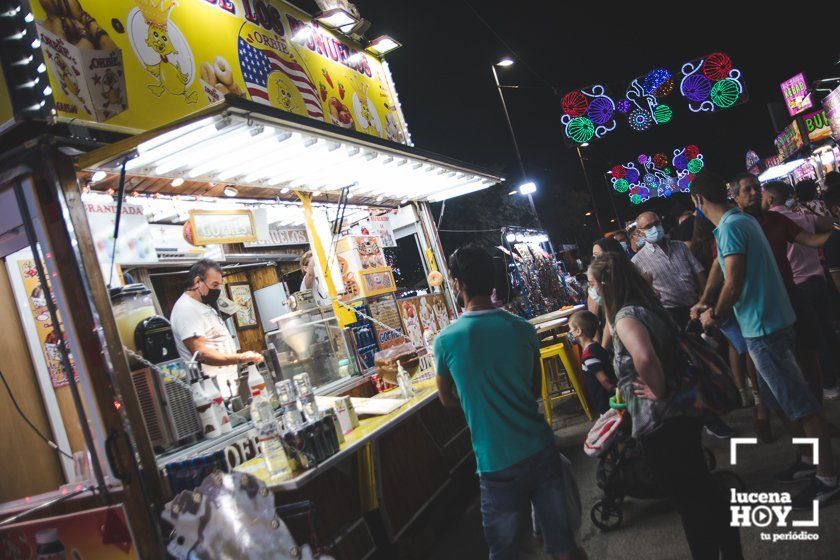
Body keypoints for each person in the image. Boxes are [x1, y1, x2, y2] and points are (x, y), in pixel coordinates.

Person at [689, 169, 838, 508]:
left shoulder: (730, 228)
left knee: (801, 404)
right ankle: (808, 460)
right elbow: (721, 269)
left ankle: (827, 477)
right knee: (778, 401)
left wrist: (716, 313)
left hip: (764, 328)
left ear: (698, 200)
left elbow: (734, 281)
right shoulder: (741, 221)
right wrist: (704, 300)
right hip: (774, 321)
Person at [588, 252, 742, 559]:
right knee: (701, 490)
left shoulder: (627, 317)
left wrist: (656, 390)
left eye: (592, 284)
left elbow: (644, 356)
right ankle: (731, 552)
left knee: (689, 501)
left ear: (605, 284)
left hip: (661, 420)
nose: (589, 290)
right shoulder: (646, 307)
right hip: (681, 412)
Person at [434, 245, 584, 560]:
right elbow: (532, 389)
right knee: (562, 545)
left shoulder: (447, 341)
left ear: (458, 283)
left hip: (495, 462)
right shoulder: (523, 329)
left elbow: (446, 398)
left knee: (505, 552)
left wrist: (478, 399)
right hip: (541, 449)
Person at [763, 181, 840, 400]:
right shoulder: (802, 217)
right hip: (819, 279)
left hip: (799, 286)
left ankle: (829, 382)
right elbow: (830, 225)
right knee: (827, 329)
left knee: (815, 338)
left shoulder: (774, 224)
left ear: (769, 199)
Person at [170, 259, 264, 397]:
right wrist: (240, 357)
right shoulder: (186, 309)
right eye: (214, 285)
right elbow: (201, 353)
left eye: (219, 285)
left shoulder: (203, 305)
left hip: (227, 384)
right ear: (197, 282)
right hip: (212, 391)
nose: (217, 290)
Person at [632, 211, 707, 329]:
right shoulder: (637, 261)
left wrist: (704, 299)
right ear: (639, 232)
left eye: (656, 223)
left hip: (697, 306)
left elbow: (699, 272)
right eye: (648, 226)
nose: (654, 228)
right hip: (672, 316)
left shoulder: (680, 246)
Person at [569, 310, 616, 415]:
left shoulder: (588, 356)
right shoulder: (597, 347)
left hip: (606, 403)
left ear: (578, 331)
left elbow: (604, 381)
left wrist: (616, 392)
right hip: (609, 401)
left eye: (571, 329)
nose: (569, 333)